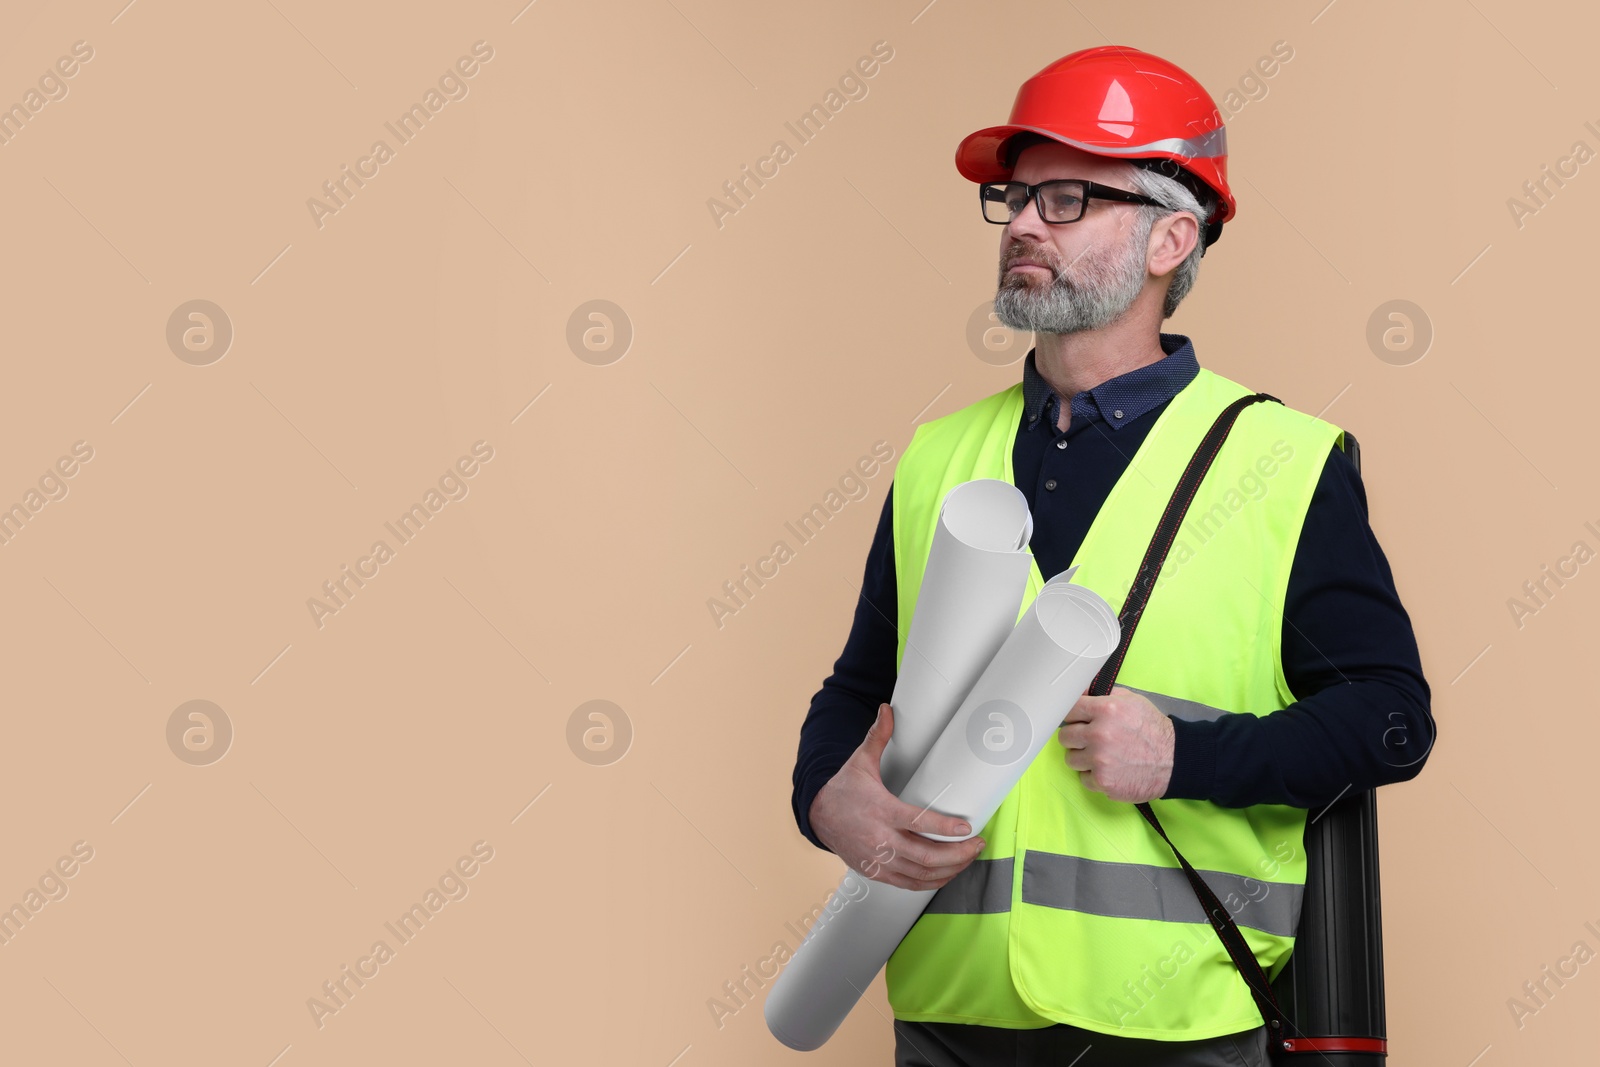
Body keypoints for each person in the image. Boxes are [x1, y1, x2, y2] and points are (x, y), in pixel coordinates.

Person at [788, 46, 1434, 1067]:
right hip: (950, 1016)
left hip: (1175, 1026)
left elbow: (1391, 720)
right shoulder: (935, 458)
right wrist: (826, 795)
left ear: (1173, 236)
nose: (1027, 223)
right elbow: (858, 688)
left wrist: (1186, 757)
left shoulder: (1285, 462)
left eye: (1070, 197)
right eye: (1017, 196)